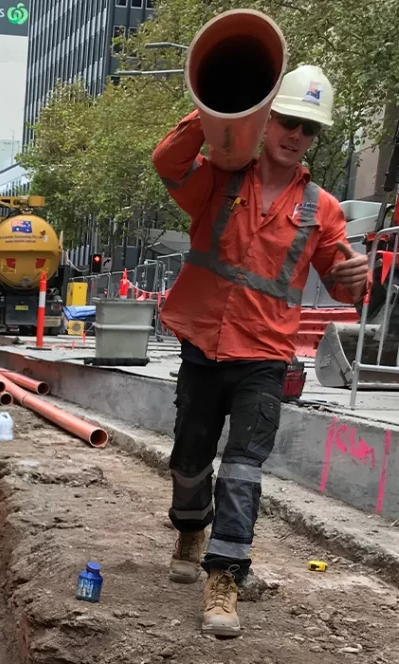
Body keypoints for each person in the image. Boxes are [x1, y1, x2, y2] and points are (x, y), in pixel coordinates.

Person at [152, 64, 370, 637]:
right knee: (189, 461)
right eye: (288, 122)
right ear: (267, 119)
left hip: (265, 358)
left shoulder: (322, 209)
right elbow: (168, 164)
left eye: (308, 129)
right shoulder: (220, 180)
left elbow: (344, 277)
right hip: (203, 347)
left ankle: (224, 576)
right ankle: (190, 527)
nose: (295, 136)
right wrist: (216, 118)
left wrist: (355, 278)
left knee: (244, 470)